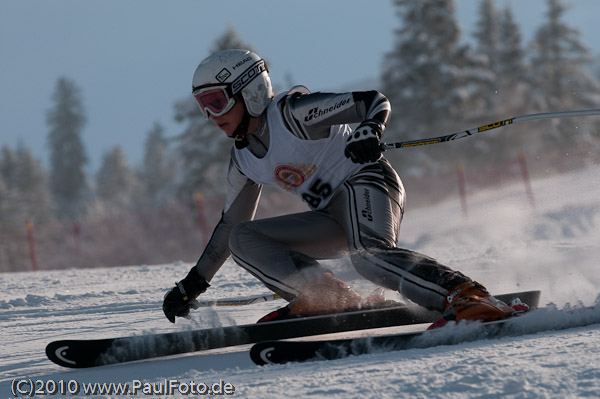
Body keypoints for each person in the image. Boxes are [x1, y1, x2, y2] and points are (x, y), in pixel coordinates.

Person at [162, 49, 527, 327]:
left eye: (216, 102)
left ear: (250, 91)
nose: (211, 116)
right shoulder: (243, 158)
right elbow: (228, 229)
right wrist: (193, 284)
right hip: (330, 218)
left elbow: (372, 102)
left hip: (367, 184)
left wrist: (370, 130)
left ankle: (464, 294)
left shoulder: (293, 114)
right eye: (202, 107)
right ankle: (327, 296)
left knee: (368, 256)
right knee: (243, 237)